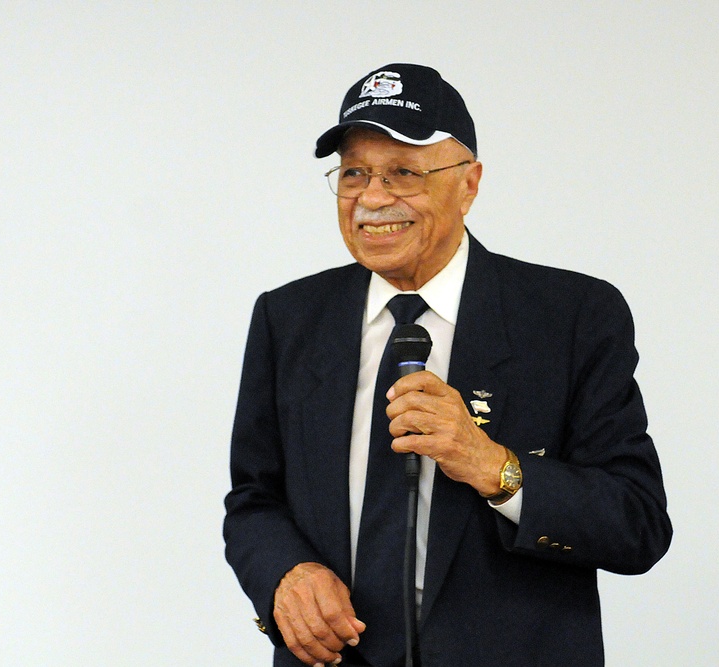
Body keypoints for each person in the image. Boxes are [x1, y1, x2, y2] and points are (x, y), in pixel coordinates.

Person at [223, 63, 671, 667]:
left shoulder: (573, 316)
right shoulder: (290, 317)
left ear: (469, 183)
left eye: (402, 172)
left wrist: (492, 465)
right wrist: (287, 572)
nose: (372, 198)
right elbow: (254, 497)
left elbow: (636, 524)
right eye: (354, 172)